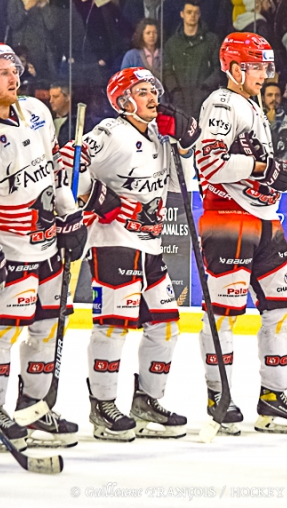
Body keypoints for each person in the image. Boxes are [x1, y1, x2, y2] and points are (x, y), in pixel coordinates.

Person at [0, 42, 87, 449]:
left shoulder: (38, 113)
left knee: (46, 329)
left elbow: (53, 175)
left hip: (47, 246)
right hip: (9, 249)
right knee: (4, 331)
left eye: (14, 69)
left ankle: (33, 408)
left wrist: (69, 214)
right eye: (3, 71)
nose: (14, 77)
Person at [194, 32, 287, 435]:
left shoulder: (252, 105)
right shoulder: (223, 104)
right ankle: (219, 395)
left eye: (265, 66)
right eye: (258, 66)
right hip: (229, 219)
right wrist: (263, 169)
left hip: (264, 218)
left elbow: (250, 165)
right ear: (234, 67)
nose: (265, 74)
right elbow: (208, 165)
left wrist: (273, 173)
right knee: (224, 314)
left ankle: (273, 396)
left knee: (283, 304)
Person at [72, 67, 199, 440]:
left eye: (152, 91)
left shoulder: (161, 137)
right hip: (113, 243)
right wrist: (94, 195)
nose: (152, 98)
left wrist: (186, 145)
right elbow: (70, 166)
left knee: (166, 323)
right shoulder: (110, 133)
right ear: (124, 101)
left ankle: (146, 401)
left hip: (150, 246)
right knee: (113, 325)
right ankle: (103, 405)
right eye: (142, 92)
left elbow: (180, 183)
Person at [163, 0, 220, 123]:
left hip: (205, 100)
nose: (192, 16)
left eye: (196, 12)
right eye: (189, 12)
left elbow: (219, 68)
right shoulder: (172, 43)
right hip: (179, 101)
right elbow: (167, 70)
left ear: (199, 15)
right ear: (182, 14)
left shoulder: (211, 40)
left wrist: (206, 88)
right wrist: (174, 91)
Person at [7, 0, 58, 79]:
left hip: (42, 51)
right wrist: (27, 7)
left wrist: (44, 6)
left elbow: (51, 25)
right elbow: (13, 23)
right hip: (23, 49)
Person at [48, 82, 73, 146]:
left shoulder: (74, 123)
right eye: (50, 97)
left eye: (55, 97)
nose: (51, 101)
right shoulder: (47, 119)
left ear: (67, 97)